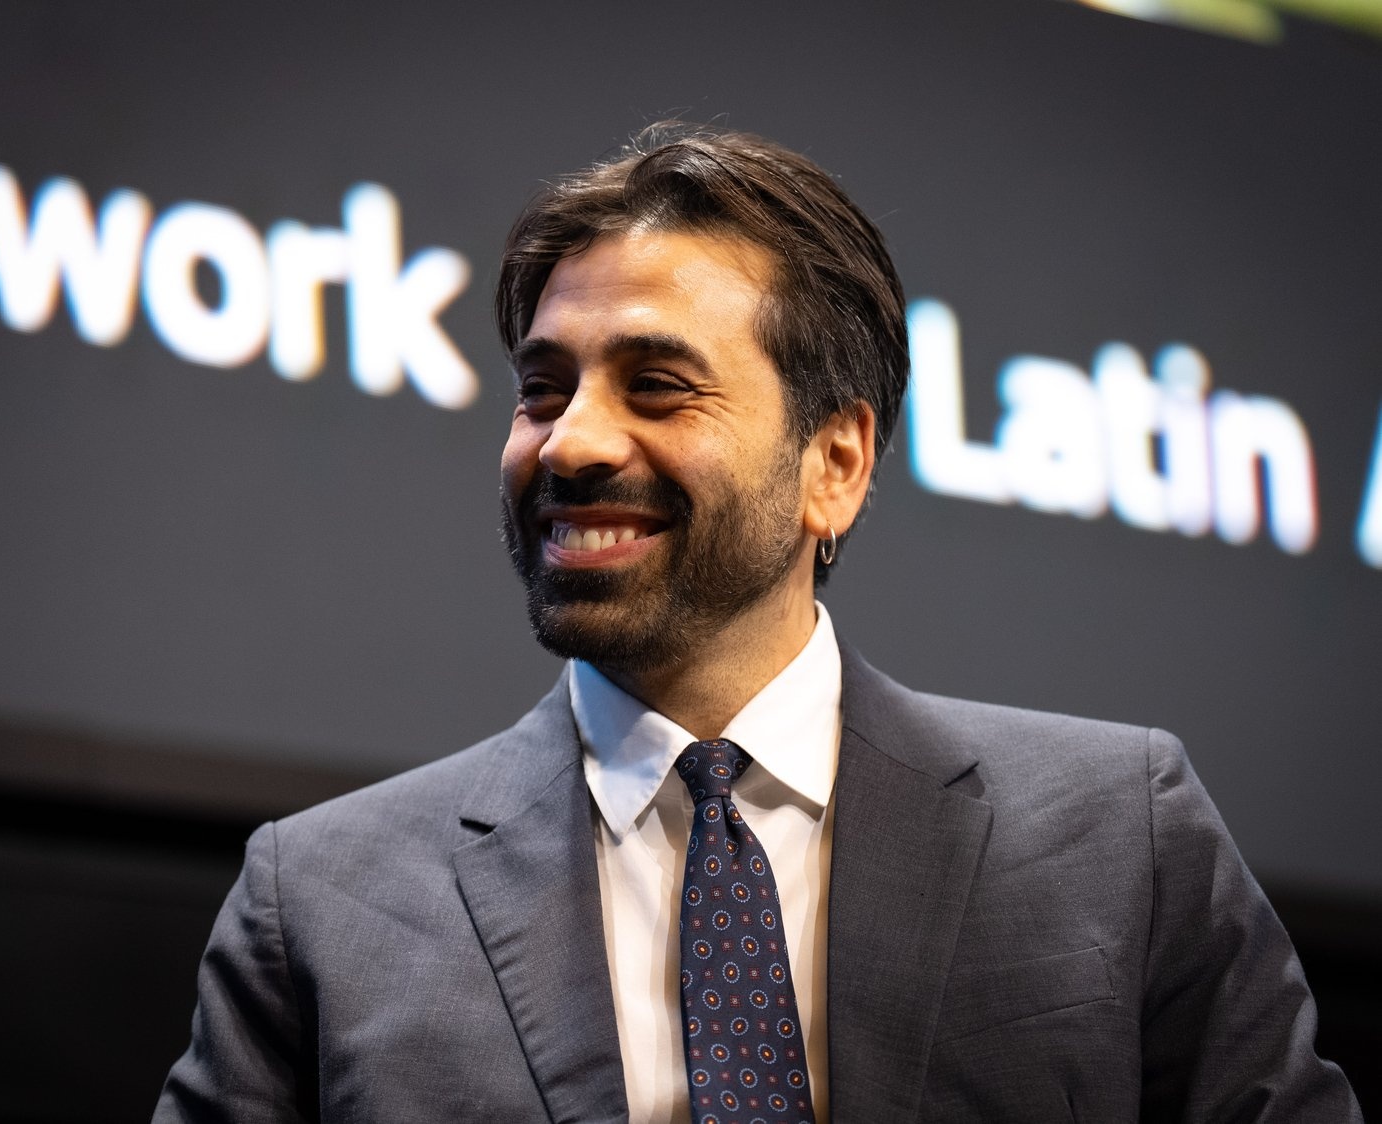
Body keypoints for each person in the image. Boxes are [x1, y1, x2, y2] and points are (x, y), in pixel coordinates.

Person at [154, 124, 1360, 1123]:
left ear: (834, 464)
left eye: (658, 385)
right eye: (543, 388)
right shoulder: (317, 904)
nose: (568, 440)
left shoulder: (1121, 838)